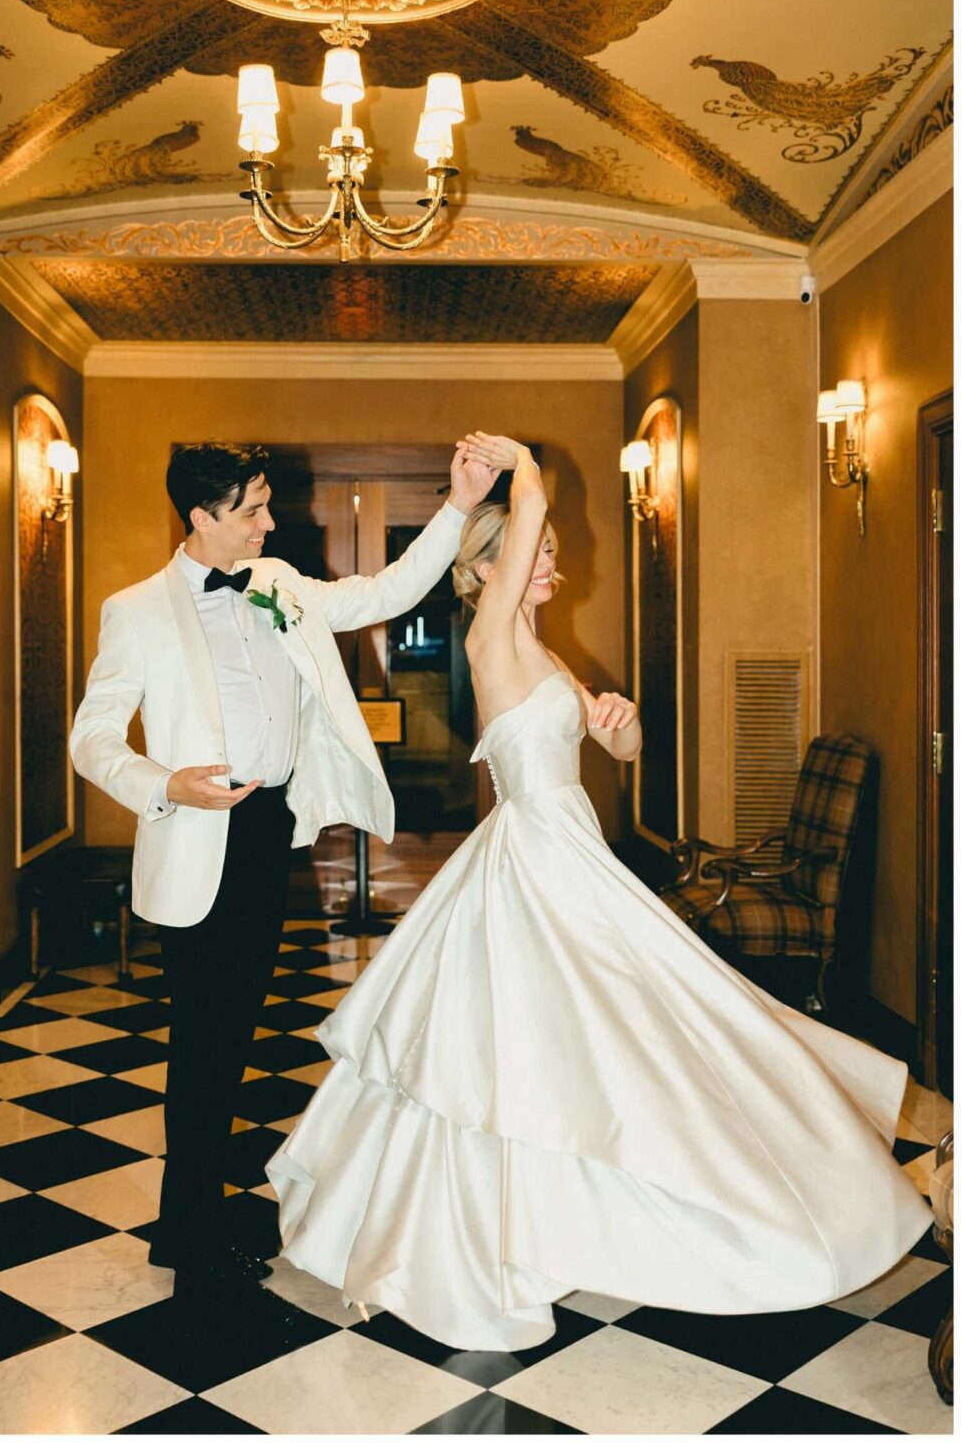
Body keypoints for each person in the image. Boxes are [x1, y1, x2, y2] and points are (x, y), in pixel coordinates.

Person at [267, 432, 931, 1352]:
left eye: (546, 550)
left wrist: (620, 725)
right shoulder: (490, 633)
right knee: (574, 1035)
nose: (552, 561)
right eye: (536, 551)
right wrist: (520, 466)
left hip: (568, 844)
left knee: (618, 1032)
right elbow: (527, 519)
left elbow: (617, 748)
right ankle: (493, 1230)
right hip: (534, 858)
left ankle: (588, 1203)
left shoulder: (544, 653)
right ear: (489, 569)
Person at [69, 439, 497, 1300]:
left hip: (266, 834)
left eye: (268, 505)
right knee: (202, 1045)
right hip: (196, 837)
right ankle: (189, 1236)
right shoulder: (137, 610)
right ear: (200, 517)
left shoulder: (280, 587)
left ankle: (191, 1214)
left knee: (235, 1035)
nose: (270, 523)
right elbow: (91, 738)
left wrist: (458, 504)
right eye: (252, 510)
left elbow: (386, 591)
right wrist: (166, 785)